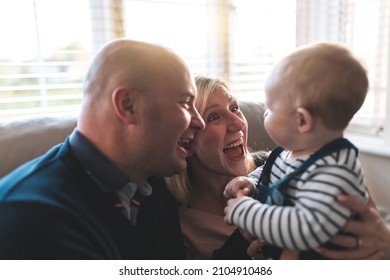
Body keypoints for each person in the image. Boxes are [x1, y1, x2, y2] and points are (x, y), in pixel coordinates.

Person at [0, 38, 205, 259]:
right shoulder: (32, 217)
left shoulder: (151, 186)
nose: (199, 122)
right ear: (128, 105)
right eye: (185, 102)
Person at [224, 42, 370, 259]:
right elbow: (271, 175)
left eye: (270, 108)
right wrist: (251, 184)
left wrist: (245, 212)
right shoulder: (289, 153)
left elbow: (305, 228)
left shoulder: (333, 171)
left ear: (302, 120)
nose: (264, 113)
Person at [164, 75, 269, 259]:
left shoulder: (277, 168)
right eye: (214, 117)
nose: (239, 123)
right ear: (187, 139)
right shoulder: (171, 220)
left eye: (234, 108)